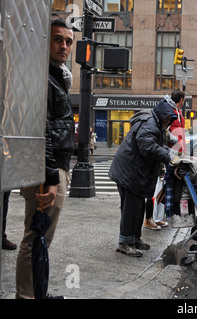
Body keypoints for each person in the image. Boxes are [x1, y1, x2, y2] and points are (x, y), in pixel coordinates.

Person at [15, 19, 75, 299]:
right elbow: (41, 129)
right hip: (46, 171)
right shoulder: (42, 76)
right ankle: (27, 295)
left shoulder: (55, 76)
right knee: (35, 236)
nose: (64, 45)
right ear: (45, 42)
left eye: (68, 41)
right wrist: (51, 176)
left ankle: (36, 291)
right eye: (57, 39)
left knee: (42, 237)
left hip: (53, 167)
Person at [108, 101, 179, 257]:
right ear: (161, 116)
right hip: (129, 172)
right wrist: (169, 156)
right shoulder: (150, 125)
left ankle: (134, 238)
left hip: (135, 172)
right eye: (167, 120)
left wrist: (173, 154)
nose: (167, 123)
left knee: (138, 207)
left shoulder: (157, 125)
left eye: (169, 121)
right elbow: (147, 147)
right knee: (130, 208)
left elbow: (157, 145)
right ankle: (125, 243)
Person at [144, 91, 186, 229]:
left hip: (166, 156)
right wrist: (173, 154)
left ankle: (156, 217)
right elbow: (158, 143)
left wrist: (179, 152)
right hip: (162, 158)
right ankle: (151, 218)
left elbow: (170, 137)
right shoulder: (166, 113)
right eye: (167, 121)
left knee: (162, 187)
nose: (168, 122)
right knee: (156, 188)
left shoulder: (174, 114)